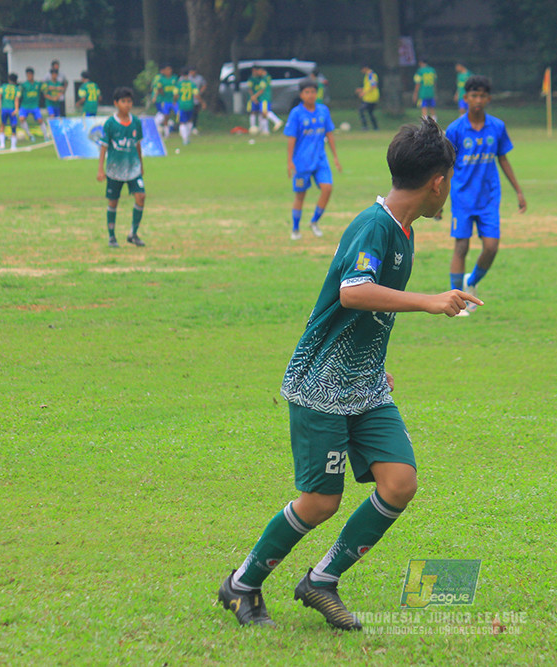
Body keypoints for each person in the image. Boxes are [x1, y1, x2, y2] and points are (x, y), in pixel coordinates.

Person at [216, 117, 479, 631]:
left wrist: (376, 364)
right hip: (321, 386)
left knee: (400, 483)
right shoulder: (374, 226)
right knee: (319, 503)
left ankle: (321, 580)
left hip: (364, 385)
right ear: (438, 182)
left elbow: (366, 313)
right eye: (450, 178)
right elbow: (353, 292)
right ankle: (241, 584)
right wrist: (429, 301)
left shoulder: (400, 231)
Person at [445, 75, 527, 316]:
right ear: (465, 98)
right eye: (473, 95)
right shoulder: (455, 129)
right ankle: (456, 301)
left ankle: (472, 281)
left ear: (488, 99)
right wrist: (438, 196)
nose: (478, 100)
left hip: (489, 199)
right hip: (462, 198)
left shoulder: (497, 127)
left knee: (491, 247)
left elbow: (503, 158)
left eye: (482, 96)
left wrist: (519, 191)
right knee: (461, 247)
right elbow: (445, 164)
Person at [284, 79, 342, 240]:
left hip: (320, 160)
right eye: (307, 92)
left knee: (327, 188)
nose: (310, 95)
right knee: (300, 196)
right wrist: (289, 161)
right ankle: (295, 229)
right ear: (301, 95)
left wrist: (335, 157)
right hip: (302, 161)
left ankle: (314, 222)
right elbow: (291, 139)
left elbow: (329, 134)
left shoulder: (323, 111)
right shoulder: (296, 113)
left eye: (313, 92)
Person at [96, 87, 146, 248]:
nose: (127, 104)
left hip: (133, 168)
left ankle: (133, 233)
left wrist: (141, 164)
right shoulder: (110, 124)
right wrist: (100, 169)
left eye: (129, 101)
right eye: (123, 101)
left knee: (141, 196)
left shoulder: (136, 122)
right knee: (113, 202)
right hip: (114, 170)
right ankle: (111, 237)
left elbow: (137, 144)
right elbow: (104, 147)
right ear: (116, 103)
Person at [18, 67, 49, 140]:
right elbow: (18, 94)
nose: (29, 76)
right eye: (27, 75)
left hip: (34, 106)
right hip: (25, 105)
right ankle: (29, 135)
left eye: (30, 75)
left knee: (40, 120)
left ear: (33, 75)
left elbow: (45, 88)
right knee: (22, 119)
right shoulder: (24, 85)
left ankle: (46, 136)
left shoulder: (38, 84)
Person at [151, 64, 178, 138]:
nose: (169, 71)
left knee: (178, 114)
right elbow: (157, 88)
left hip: (173, 101)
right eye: (167, 69)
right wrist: (155, 97)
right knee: (164, 115)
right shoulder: (160, 78)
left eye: (170, 69)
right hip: (163, 100)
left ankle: (170, 127)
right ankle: (162, 129)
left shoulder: (174, 78)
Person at [0, 73, 21, 150]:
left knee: (2, 126)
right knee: (13, 127)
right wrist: (16, 108)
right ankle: (13, 146)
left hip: (4, 109)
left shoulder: (3, 87)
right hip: (12, 109)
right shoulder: (17, 89)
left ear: (9, 79)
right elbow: (16, 99)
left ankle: (2, 145)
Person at [176, 67, 200, 145]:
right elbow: (196, 95)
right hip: (190, 105)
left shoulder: (179, 84)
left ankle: (185, 138)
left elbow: (175, 94)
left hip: (182, 105)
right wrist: (202, 102)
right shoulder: (192, 84)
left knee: (182, 122)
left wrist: (174, 101)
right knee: (189, 121)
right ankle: (187, 137)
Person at [355, 65, 379, 131]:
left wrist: (363, 93)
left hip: (371, 97)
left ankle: (365, 127)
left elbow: (373, 85)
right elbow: (368, 86)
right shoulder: (368, 75)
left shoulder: (371, 75)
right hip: (369, 97)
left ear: (365, 68)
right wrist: (361, 90)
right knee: (370, 112)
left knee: (361, 110)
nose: (362, 71)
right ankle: (375, 127)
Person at [187, 65, 206, 133]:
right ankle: (188, 127)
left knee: (195, 113)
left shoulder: (199, 78)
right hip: (188, 98)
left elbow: (204, 85)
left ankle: (194, 127)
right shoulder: (187, 78)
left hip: (196, 97)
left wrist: (200, 92)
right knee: (188, 112)